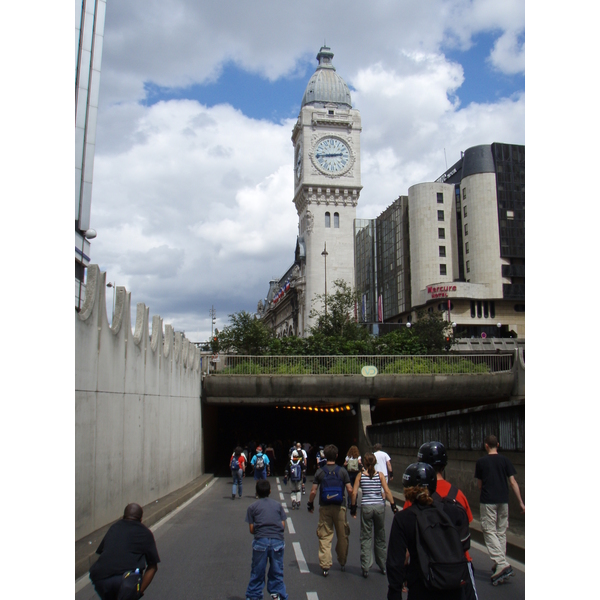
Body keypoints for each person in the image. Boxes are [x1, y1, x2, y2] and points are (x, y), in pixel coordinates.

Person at [407, 441, 478, 600]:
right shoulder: (458, 494)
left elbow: (408, 536)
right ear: (444, 466)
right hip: (459, 567)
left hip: (427, 569)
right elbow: (467, 526)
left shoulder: (415, 497)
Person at [387, 463, 465, 600]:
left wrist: (395, 593)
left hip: (423, 587)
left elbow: (395, 563)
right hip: (454, 587)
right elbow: (464, 545)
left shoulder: (404, 518)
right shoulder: (451, 511)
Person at [475, 434, 525, 585]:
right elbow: (513, 482)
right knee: (501, 532)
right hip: (504, 500)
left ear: (486, 446)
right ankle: (500, 563)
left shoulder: (481, 462)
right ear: (498, 444)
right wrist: (522, 503)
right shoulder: (505, 460)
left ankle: (501, 563)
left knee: (489, 530)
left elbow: (479, 485)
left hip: (488, 501)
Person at [89, 503, 160, 600]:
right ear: (140, 519)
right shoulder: (145, 533)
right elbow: (152, 567)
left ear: (123, 516)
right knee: (136, 573)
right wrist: (138, 592)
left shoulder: (114, 527)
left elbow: (103, 552)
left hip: (101, 578)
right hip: (126, 580)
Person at [307, 444, 353, 576]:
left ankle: (325, 565)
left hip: (325, 507)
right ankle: (342, 561)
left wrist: (310, 503)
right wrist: (353, 504)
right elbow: (349, 489)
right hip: (340, 507)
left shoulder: (320, 471)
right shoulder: (342, 471)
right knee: (342, 535)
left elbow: (313, 491)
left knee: (325, 535)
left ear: (324, 456)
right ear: (337, 456)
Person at [350, 452, 397, 578]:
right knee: (380, 536)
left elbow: (354, 493)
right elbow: (386, 491)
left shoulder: (360, 476)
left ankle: (366, 566)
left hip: (366, 507)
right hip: (379, 507)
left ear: (365, 463)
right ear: (375, 463)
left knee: (366, 537)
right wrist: (393, 506)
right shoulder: (380, 475)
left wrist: (353, 508)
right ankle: (382, 565)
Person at [245, 480, 288, 600]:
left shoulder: (252, 507)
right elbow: (282, 526)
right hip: (277, 541)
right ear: (270, 491)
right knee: (277, 572)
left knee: (257, 572)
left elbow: (252, 530)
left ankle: (254, 596)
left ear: (256, 493)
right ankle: (277, 594)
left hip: (260, 542)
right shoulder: (278, 505)